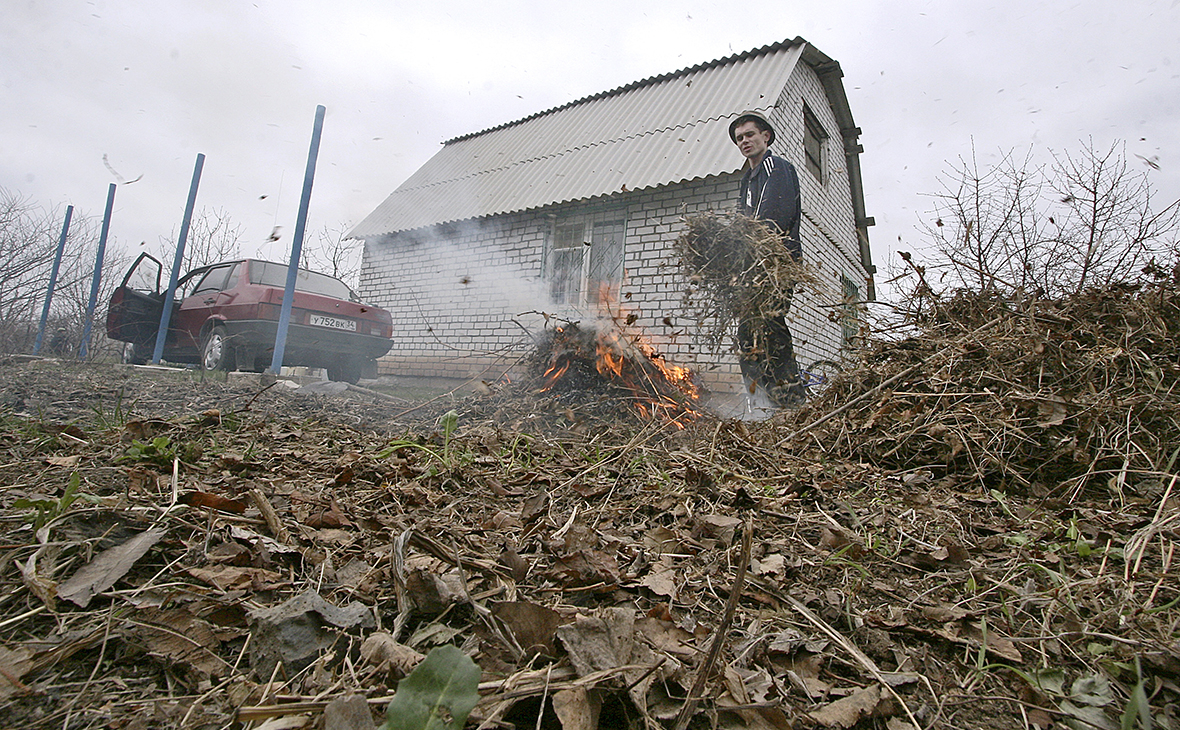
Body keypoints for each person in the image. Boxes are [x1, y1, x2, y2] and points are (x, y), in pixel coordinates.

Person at [728, 111, 806, 407]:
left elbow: (773, 219)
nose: (744, 141)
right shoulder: (746, 180)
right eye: (739, 138)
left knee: (770, 326)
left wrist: (751, 251)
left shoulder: (777, 168)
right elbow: (741, 222)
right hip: (752, 269)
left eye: (749, 135)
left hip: (775, 265)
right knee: (749, 336)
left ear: (766, 136)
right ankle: (760, 404)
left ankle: (792, 402)